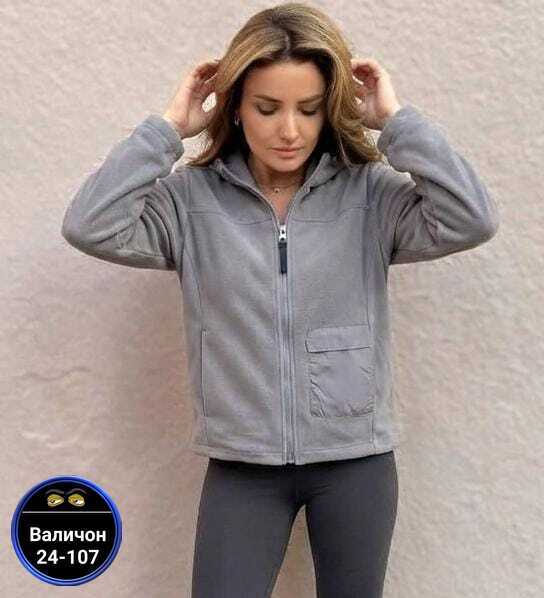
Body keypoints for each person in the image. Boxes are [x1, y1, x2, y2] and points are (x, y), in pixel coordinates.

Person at [60, 3, 500, 596]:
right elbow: (90, 224)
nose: (289, 130)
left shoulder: (371, 197)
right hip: (242, 465)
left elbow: (472, 218)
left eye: (309, 109)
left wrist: (395, 122)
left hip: (357, 461)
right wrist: (166, 130)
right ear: (236, 108)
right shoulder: (189, 203)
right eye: (267, 108)